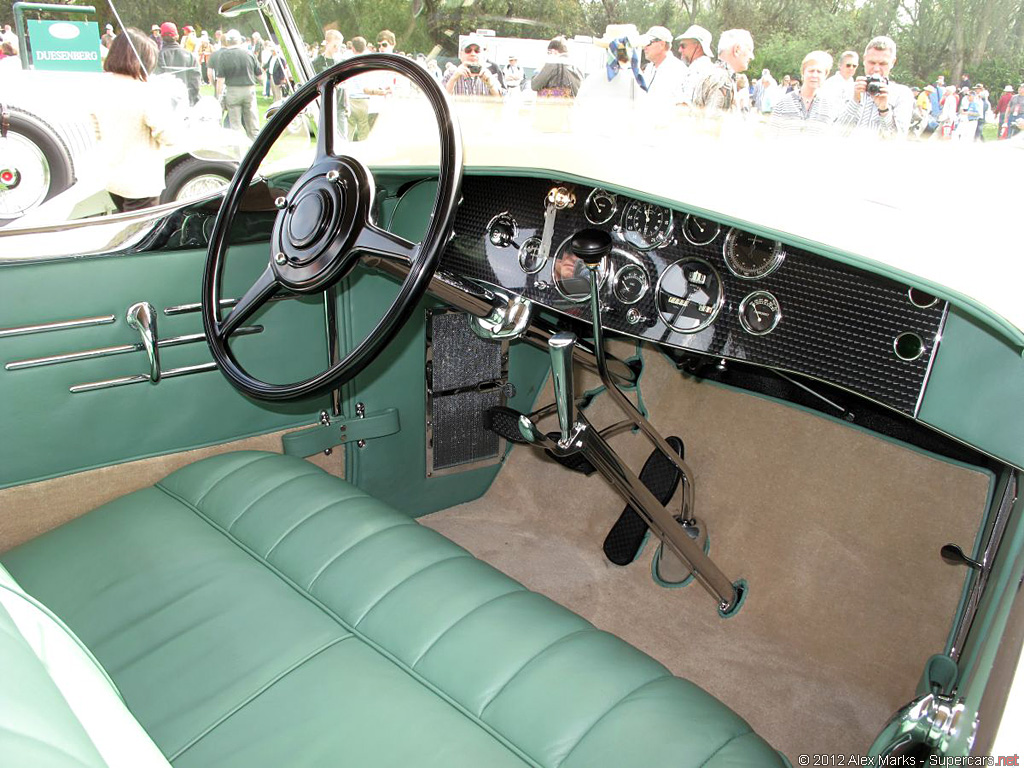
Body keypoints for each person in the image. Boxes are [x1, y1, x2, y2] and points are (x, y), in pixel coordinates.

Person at [91, 29, 179, 212]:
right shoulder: (145, 93)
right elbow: (170, 136)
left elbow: (97, 131)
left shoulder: (99, 87)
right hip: (140, 182)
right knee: (141, 236)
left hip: (113, 177)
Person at [835, 36, 913, 137]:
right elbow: (834, 133)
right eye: (872, 62)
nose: (876, 69)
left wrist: (884, 110)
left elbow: (897, 139)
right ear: (864, 60)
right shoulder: (845, 89)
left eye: (883, 64)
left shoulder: (902, 94)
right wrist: (854, 102)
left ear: (893, 62)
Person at [768, 50, 839, 135]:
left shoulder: (831, 107)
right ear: (803, 72)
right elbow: (771, 137)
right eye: (811, 71)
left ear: (825, 75)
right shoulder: (782, 103)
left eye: (819, 71)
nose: (814, 75)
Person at [210, 29, 261, 139]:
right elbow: (260, 75)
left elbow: (220, 79)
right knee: (252, 124)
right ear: (239, 41)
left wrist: (218, 96)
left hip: (232, 91)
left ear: (228, 41)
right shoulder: (249, 53)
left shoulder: (224, 55)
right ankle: (257, 149)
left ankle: (239, 153)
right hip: (249, 90)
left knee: (235, 127)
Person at [690, 29, 754, 112]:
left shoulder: (714, 74)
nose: (752, 57)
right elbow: (716, 123)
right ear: (736, 50)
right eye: (749, 50)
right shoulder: (723, 81)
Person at [155, 22, 200, 106]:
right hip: (186, 102)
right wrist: (191, 101)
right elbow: (195, 83)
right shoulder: (190, 56)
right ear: (177, 36)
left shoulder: (158, 56)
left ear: (161, 37)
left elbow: (156, 82)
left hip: (165, 105)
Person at [639, 26, 686, 107]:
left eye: (648, 43)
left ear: (662, 44)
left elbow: (682, 105)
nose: (644, 47)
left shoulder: (678, 70)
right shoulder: (649, 68)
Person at [675, 25, 714, 106]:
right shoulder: (697, 68)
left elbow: (685, 106)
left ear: (698, 47)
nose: (679, 50)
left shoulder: (701, 70)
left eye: (683, 46)